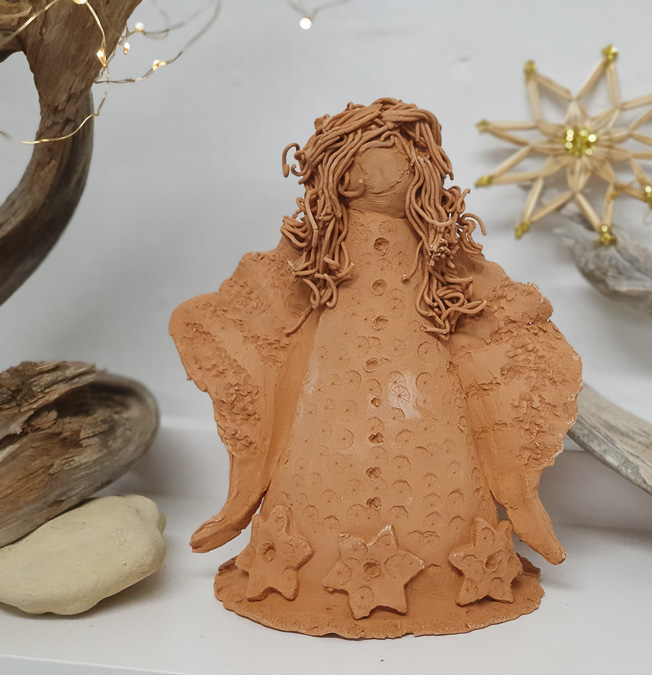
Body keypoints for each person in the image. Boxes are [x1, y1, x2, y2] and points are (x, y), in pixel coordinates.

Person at [170, 98, 581, 637]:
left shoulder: (438, 249)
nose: (376, 165)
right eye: (360, 152)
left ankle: (465, 567)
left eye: (393, 148)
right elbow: (271, 293)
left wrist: (513, 310)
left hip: (429, 386)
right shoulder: (318, 247)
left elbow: (483, 297)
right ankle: (294, 567)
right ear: (335, 170)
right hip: (328, 393)